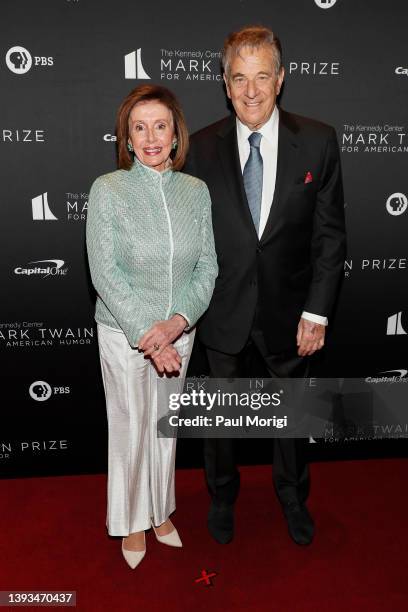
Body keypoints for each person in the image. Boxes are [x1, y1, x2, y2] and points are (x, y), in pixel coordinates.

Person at [184, 26, 346, 546]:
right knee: (220, 422)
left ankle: (293, 496)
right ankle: (222, 496)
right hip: (221, 309)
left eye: (261, 77)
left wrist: (317, 312)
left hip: (291, 313)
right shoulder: (199, 147)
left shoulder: (319, 140)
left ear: (280, 78)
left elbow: (329, 236)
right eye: (238, 78)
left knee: (293, 418)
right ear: (225, 85)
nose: (250, 91)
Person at [86, 84, 218, 568]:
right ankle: (129, 521)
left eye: (160, 125)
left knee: (164, 430)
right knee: (129, 429)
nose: (150, 137)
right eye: (138, 128)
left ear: (176, 133)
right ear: (125, 138)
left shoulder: (196, 192)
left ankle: (160, 511)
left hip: (180, 335)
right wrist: (150, 333)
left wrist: (177, 323)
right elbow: (105, 273)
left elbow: (208, 267)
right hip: (125, 336)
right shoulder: (109, 190)